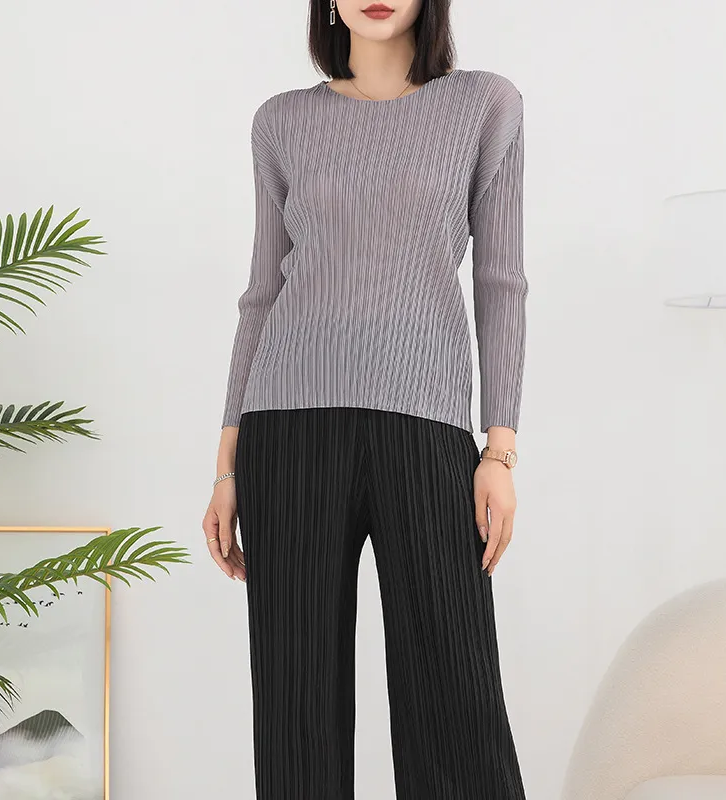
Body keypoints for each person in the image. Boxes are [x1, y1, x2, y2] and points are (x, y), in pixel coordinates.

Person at [201, 0, 528, 797]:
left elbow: (501, 283)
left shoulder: (485, 104)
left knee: (455, 695)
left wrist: (499, 449)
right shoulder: (282, 121)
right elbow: (260, 295)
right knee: (297, 706)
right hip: (286, 426)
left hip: (427, 424)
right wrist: (226, 467)